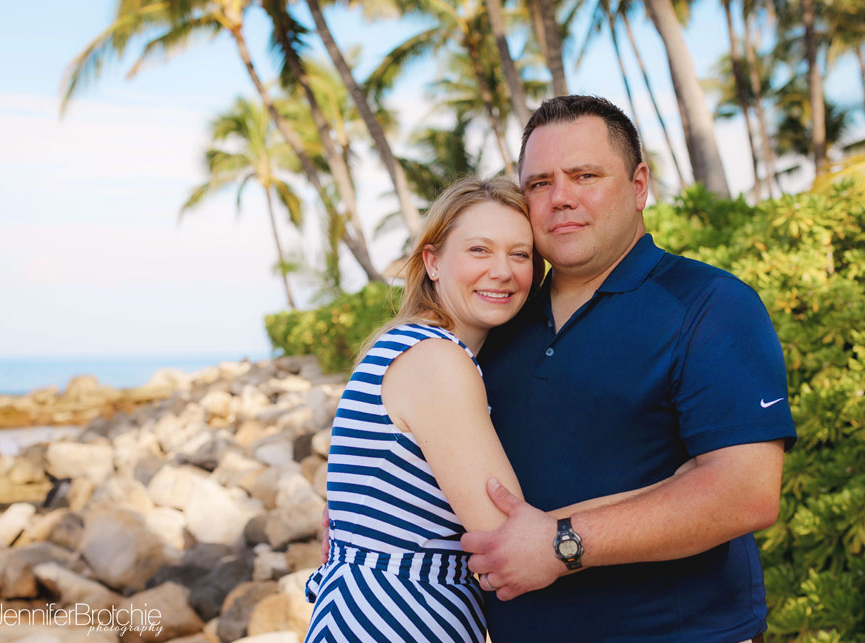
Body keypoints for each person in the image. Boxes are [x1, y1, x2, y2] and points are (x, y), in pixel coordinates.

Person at [461, 95, 797, 642]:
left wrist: (560, 544)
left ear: (639, 185)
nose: (561, 198)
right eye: (539, 183)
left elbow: (746, 491)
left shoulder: (709, 305)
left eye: (585, 175)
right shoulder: (499, 319)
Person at [302, 176, 539, 642]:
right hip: (395, 618)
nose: (502, 270)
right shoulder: (435, 359)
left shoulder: (412, 346)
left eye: (520, 253)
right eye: (479, 250)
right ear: (432, 261)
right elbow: (506, 537)